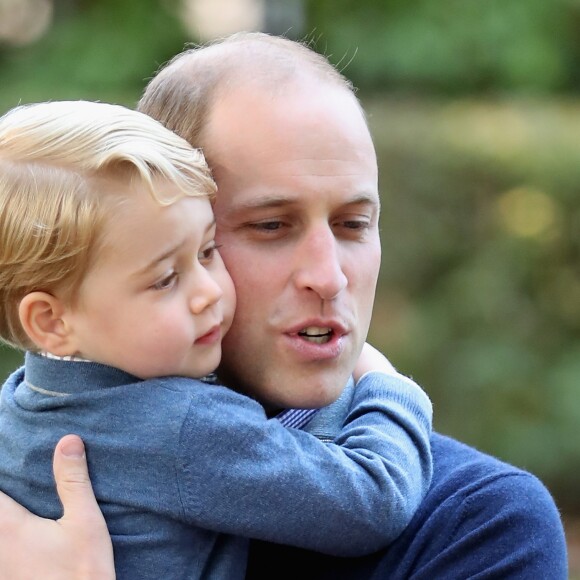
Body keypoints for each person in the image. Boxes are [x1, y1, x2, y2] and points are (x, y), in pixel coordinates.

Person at [0, 32, 568, 579]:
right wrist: (394, 390)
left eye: (353, 224)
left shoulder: (477, 526)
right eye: (270, 225)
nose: (328, 277)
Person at [0, 99, 433, 580]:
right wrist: (389, 386)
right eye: (165, 279)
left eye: (207, 251)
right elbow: (372, 500)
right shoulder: (186, 426)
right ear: (51, 321)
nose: (207, 292)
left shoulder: (16, 406)